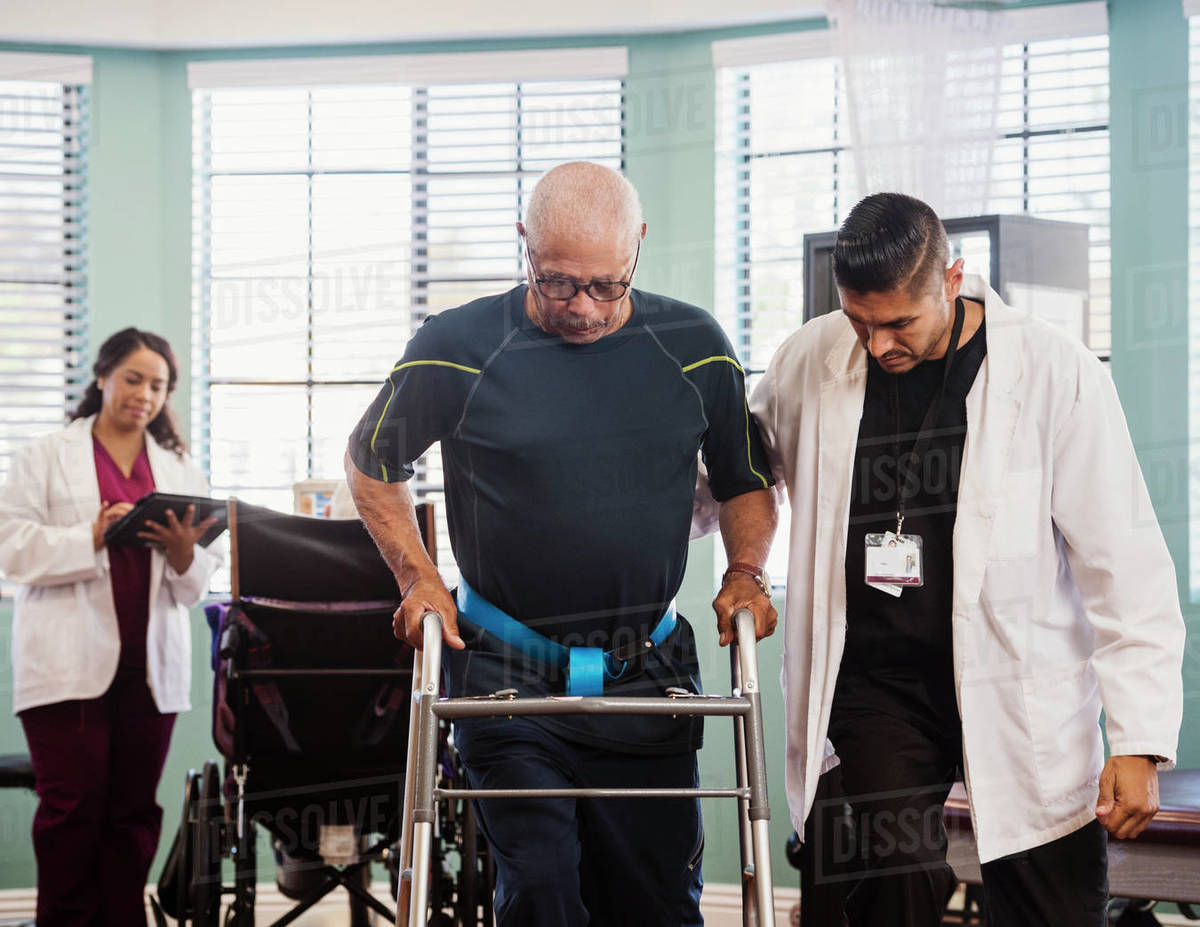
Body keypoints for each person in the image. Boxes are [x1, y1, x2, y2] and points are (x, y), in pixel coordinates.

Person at [345, 161, 778, 927]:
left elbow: (744, 478)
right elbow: (372, 461)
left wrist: (746, 570)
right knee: (544, 892)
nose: (583, 306)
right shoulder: (457, 345)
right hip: (509, 676)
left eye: (606, 285)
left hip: (648, 677)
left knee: (655, 908)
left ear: (637, 247)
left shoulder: (695, 344)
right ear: (525, 247)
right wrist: (418, 576)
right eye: (558, 282)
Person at [748, 193, 1185, 926]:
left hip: (1020, 684)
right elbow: (741, 471)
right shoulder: (812, 355)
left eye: (898, 324)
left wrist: (1139, 736)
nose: (878, 344)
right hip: (878, 688)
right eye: (860, 321)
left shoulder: (1051, 370)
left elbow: (1125, 560)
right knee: (889, 880)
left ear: (952, 280)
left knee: (1054, 906)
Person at [0, 327, 221, 926]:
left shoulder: (178, 468)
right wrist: (91, 534)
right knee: (71, 811)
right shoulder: (46, 456)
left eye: (158, 385)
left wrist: (182, 552)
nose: (144, 395)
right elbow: (11, 548)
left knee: (133, 814)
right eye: (133, 379)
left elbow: (196, 582)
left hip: (149, 672)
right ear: (102, 377)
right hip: (65, 668)